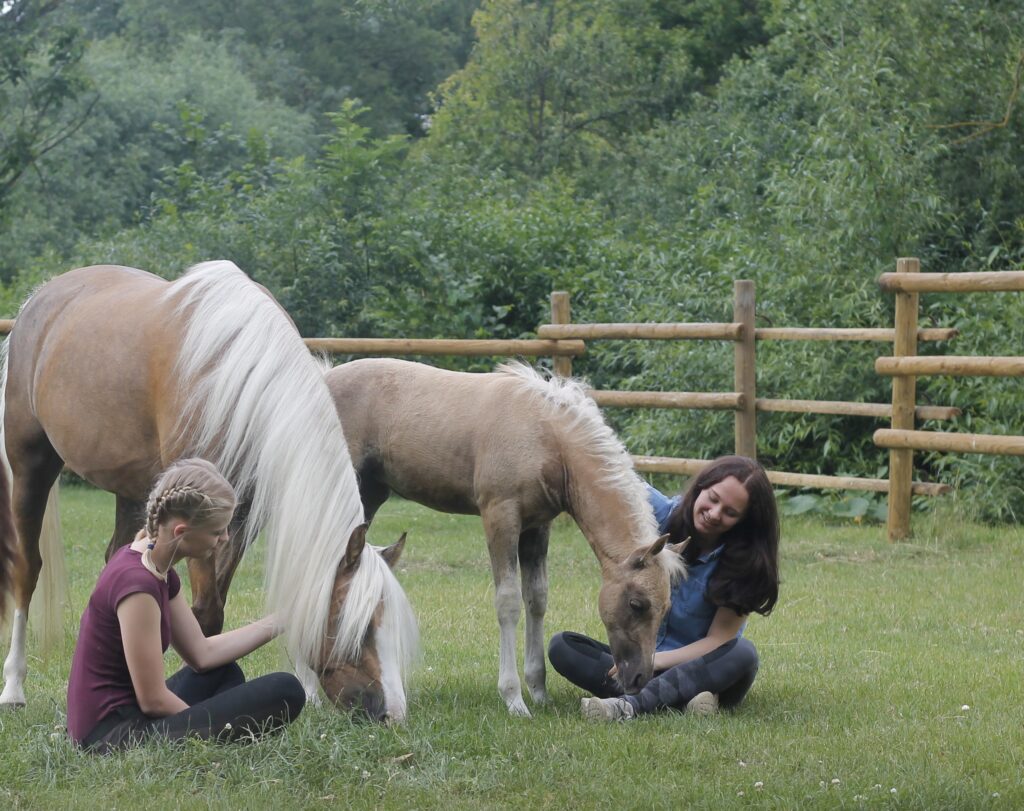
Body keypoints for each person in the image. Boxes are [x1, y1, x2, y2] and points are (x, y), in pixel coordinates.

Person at [67, 458, 306, 753]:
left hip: (133, 713)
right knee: (286, 689)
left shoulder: (155, 565)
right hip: (111, 737)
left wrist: (283, 618)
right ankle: (207, 738)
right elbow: (153, 700)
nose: (224, 538)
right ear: (181, 532)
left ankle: (208, 732)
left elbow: (201, 654)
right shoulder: (137, 586)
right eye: (217, 532)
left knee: (223, 672)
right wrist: (200, 723)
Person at [548, 455, 780, 721]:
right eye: (713, 498)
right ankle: (684, 700)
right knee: (564, 646)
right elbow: (611, 474)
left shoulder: (746, 563)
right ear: (701, 487)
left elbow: (718, 641)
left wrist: (654, 662)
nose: (715, 513)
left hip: (704, 667)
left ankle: (627, 706)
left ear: (744, 521)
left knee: (743, 654)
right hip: (643, 662)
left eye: (730, 513)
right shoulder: (658, 513)